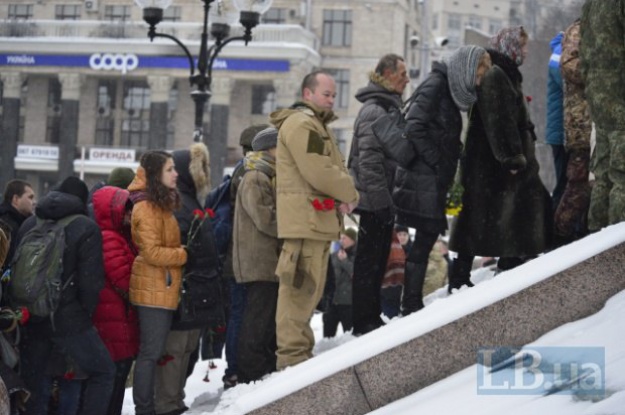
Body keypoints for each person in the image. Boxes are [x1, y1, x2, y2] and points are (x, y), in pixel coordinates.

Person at [449, 27, 553, 289]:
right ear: (510, 47)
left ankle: (503, 264)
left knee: (487, 217)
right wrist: (512, 158)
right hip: (495, 163)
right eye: (523, 46)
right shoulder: (496, 74)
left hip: (487, 163)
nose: (527, 52)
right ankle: (503, 265)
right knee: (496, 216)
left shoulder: (499, 73)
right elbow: (501, 122)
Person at [391, 45, 492, 314]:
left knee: (426, 237)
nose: (477, 84)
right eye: (477, 77)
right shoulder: (436, 85)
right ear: (466, 70)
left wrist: (451, 152)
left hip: (431, 178)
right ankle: (410, 302)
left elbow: (439, 130)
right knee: (425, 238)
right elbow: (414, 126)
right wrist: (437, 160)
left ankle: (411, 301)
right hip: (424, 177)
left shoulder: (445, 87)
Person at [270, 70, 359, 369]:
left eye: (334, 95)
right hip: (306, 222)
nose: (332, 100)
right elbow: (318, 170)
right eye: (326, 94)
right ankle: (292, 360)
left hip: (315, 221)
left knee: (307, 293)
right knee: (299, 294)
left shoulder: (312, 124)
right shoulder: (302, 124)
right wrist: (350, 193)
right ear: (308, 94)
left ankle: (298, 356)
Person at [17, 176, 115, 415]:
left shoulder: (30, 224)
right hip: (68, 319)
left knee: (37, 381)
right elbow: (90, 284)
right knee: (104, 372)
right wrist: (82, 317)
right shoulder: (85, 227)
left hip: (30, 317)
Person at [154, 142, 224, 415]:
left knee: (186, 350)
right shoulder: (176, 203)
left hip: (196, 290)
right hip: (184, 291)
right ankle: (167, 403)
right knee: (176, 350)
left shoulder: (189, 199)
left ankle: (173, 400)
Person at [348, 53, 409, 335]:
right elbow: (369, 162)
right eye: (401, 74)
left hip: (381, 200)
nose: (406, 80)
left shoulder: (385, 108)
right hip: (374, 202)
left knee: (375, 260)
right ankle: (364, 320)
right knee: (369, 262)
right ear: (386, 74)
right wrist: (383, 202)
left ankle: (369, 317)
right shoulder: (375, 110)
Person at [127, 151, 187, 415]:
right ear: (155, 175)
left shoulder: (160, 204)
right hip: (153, 289)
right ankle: (144, 409)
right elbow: (151, 252)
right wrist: (184, 254)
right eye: (170, 169)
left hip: (162, 287)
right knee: (149, 353)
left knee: (154, 352)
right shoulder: (146, 207)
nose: (176, 174)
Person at [218, 124, 268, 390]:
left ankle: (235, 368)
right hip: (239, 257)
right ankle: (235, 369)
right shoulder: (249, 171)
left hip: (236, 256)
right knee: (241, 314)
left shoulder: (242, 169)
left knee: (240, 313)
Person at [232, 127, 280, 383]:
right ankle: (251, 373)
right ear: (270, 149)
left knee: (262, 319)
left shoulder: (263, 174)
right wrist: (290, 223)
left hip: (262, 260)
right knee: (257, 321)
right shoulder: (256, 177)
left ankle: (256, 368)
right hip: (258, 261)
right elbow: (265, 218)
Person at [92, 185, 139, 415]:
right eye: (127, 210)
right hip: (114, 325)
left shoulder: (121, 237)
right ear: (114, 212)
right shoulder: (110, 238)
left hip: (119, 322)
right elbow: (125, 281)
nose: (131, 214)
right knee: (113, 385)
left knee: (117, 384)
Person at [580, 1, 625, 231]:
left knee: (603, 175)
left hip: (599, 97)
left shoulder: (592, 4)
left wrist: (593, 85)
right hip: (620, 96)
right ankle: (617, 246)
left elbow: (584, 54)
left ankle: (596, 240)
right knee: (622, 177)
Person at [546, 31, 567, 211]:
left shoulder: (560, 50)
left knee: (565, 182)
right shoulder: (560, 52)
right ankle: (555, 230)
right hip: (560, 131)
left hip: (561, 129)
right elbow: (566, 81)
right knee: (563, 184)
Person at [322, 228, 357, 338]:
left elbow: (356, 275)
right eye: (341, 238)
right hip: (332, 302)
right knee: (327, 336)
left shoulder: (357, 256)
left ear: (353, 240)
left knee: (349, 335)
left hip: (348, 302)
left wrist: (345, 261)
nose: (342, 240)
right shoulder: (334, 255)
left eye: (345, 238)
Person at [0, 179, 35, 272]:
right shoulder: (6, 224)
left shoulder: (23, 223)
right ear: (16, 199)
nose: (34, 202)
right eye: (30, 197)